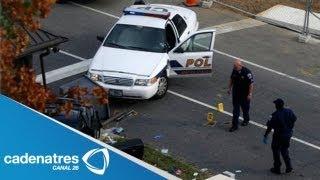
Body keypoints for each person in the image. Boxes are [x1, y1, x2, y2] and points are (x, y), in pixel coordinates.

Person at [263, 98, 297, 174]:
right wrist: (290, 127)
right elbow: (294, 118)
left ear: (276, 106)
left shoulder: (274, 115)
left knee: (276, 150)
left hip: (278, 136)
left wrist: (265, 135)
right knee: (285, 150)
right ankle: (289, 167)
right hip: (287, 134)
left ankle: (277, 168)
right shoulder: (289, 111)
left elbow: (269, 126)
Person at [228, 59, 254, 132]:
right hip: (236, 94)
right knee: (235, 111)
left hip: (244, 95)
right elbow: (231, 79)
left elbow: (251, 84)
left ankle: (246, 119)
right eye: (234, 66)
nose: (234, 68)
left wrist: (250, 94)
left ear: (240, 65)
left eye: (236, 66)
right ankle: (234, 126)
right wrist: (229, 88)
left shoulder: (247, 73)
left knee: (245, 109)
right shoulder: (235, 70)